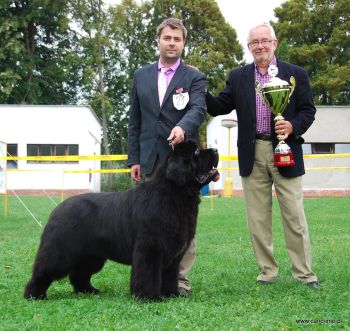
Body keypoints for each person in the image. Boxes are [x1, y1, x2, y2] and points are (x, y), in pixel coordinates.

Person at [206, 23, 319, 288]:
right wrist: (198, 85)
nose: (260, 46)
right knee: (258, 219)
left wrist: (293, 126)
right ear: (249, 47)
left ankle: (304, 274)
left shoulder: (296, 74)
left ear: (274, 43)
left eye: (264, 41)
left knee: (294, 215)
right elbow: (220, 105)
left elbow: (308, 110)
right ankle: (267, 272)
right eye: (254, 42)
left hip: (286, 150)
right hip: (252, 151)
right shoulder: (238, 77)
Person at [127, 18, 207, 296]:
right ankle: (147, 279)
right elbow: (135, 120)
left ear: (183, 43)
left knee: (183, 220)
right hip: (150, 160)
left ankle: (180, 279)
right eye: (167, 38)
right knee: (150, 225)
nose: (172, 43)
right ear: (158, 40)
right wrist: (134, 158)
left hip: (181, 162)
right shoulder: (141, 76)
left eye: (177, 39)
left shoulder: (194, 77)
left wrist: (183, 127)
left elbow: (198, 109)